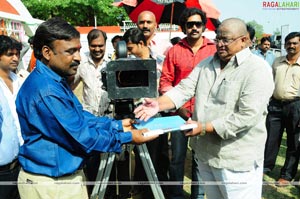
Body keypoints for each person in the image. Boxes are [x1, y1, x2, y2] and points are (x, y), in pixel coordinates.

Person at [15, 17, 157, 199]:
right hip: (51, 184)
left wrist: (116, 125)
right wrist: (128, 137)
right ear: (47, 52)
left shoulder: (55, 80)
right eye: (70, 52)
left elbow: (79, 116)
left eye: (79, 50)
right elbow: (81, 136)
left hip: (61, 180)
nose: (78, 58)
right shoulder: (47, 90)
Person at [134, 18, 274, 199]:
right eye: (218, 39)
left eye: (226, 40)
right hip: (206, 154)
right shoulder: (207, 63)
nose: (221, 44)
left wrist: (203, 127)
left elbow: (247, 116)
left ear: (244, 40)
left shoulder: (257, 69)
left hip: (236, 159)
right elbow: (184, 89)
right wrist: (159, 104)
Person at [159, 8, 216, 199]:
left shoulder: (214, 50)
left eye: (197, 24)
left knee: (200, 160)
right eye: (189, 24)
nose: (194, 28)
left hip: (205, 114)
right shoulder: (174, 51)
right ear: (184, 27)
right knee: (177, 158)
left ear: (204, 26)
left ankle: (198, 196)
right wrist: (178, 107)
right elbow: (165, 82)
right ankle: (175, 195)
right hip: (178, 115)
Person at [122, 27, 169, 198]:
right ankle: (141, 189)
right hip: (136, 117)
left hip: (156, 117)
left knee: (157, 157)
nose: (128, 52)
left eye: (130, 48)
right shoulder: (126, 64)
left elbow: (167, 87)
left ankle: (156, 191)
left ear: (140, 43)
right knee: (140, 156)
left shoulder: (160, 61)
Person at [263, 32, 300, 187]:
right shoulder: (277, 62)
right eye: (288, 43)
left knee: (293, 142)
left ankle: (286, 174)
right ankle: (265, 167)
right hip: (276, 105)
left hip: (296, 106)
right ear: (284, 45)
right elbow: (269, 83)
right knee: (270, 138)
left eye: (295, 43)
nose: (291, 46)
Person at [0, 35, 23, 199]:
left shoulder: (19, 80)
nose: (15, 58)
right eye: (10, 54)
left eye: (17, 54)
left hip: (20, 163)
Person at [71, 29, 111, 117]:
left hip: (110, 114)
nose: (97, 49)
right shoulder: (81, 62)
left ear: (105, 44)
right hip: (89, 115)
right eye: (93, 46)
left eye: (100, 46)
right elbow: (70, 86)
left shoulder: (111, 62)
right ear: (88, 45)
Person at [137, 10, 172, 77]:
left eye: (149, 22)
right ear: (137, 25)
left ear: (155, 25)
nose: (145, 26)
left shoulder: (166, 46)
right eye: (141, 22)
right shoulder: (132, 47)